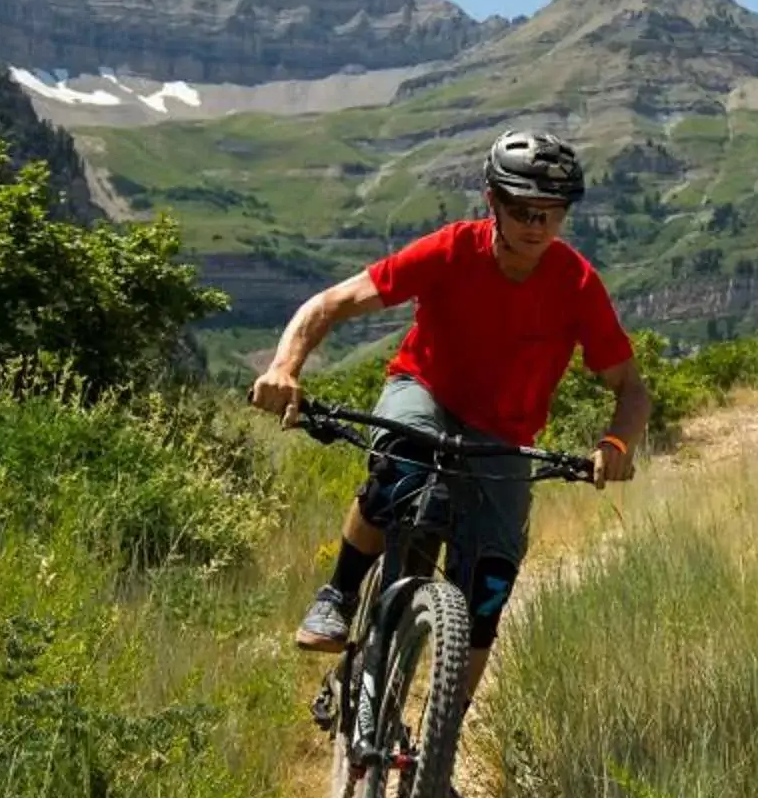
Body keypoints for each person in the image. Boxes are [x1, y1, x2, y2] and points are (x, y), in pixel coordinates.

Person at [247, 131, 650, 689]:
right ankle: (338, 593)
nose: (537, 225)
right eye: (522, 210)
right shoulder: (452, 249)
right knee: (401, 468)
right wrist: (285, 368)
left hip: (503, 435)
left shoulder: (576, 283)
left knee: (488, 589)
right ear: (493, 202)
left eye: (552, 213)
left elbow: (630, 387)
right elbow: (331, 304)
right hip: (426, 390)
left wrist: (616, 445)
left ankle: (440, 746)